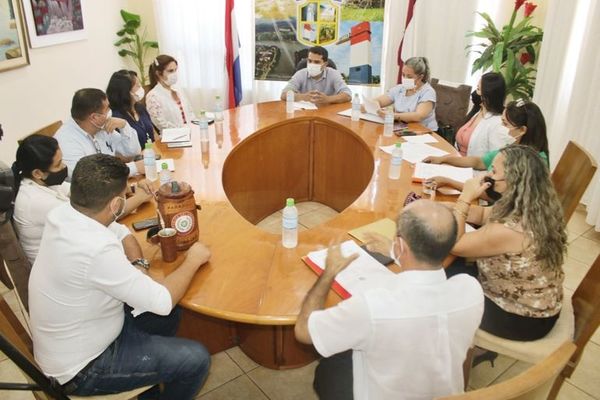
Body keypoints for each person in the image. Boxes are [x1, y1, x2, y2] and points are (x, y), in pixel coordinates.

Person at [29, 154, 211, 399]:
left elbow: (123, 233)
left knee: (169, 316)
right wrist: (194, 259)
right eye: (125, 196)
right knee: (196, 359)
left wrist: (138, 265)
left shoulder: (66, 213)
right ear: (115, 205)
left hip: (92, 331)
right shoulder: (95, 249)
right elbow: (163, 301)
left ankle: (150, 380)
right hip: (83, 368)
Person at [295, 200, 484, 400]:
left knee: (327, 371)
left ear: (401, 245)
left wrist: (329, 272)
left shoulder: (372, 308)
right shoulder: (470, 290)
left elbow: (304, 331)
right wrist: (396, 252)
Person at [450, 145, 567, 343]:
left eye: (494, 172)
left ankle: (450, 349)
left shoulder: (511, 230)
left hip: (520, 318)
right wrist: (441, 208)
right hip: (534, 299)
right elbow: (481, 214)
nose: (488, 175)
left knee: (440, 279)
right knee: (452, 269)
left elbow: (455, 244)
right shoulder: (529, 204)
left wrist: (465, 197)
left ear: (514, 180)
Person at [12, 135, 153, 264]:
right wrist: (140, 197)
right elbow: (99, 215)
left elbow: (91, 195)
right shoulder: (36, 202)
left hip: (76, 248)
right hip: (64, 265)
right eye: (58, 164)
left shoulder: (44, 183)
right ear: (37, 173)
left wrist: (131, 187)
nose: (64, 166)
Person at [424, 100, 549, 192]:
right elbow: (479, 161)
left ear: (522, 130)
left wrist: (448, 182)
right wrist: (443, 159)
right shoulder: (514, 146)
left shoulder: (532, 162)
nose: (501, 128)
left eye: (505, 124)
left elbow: (491, 194)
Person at [55, 88, 144, 180]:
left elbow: (132, 151)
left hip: (114, 183)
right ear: (94, 117)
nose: (110, 111)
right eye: (107, 109)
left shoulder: (100, 127)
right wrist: (134, 168)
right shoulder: (66, 142)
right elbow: (91, 179)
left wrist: (124, 126)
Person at [371, 56, 438, 131]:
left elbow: (418, 116)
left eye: (409, 76)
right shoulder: (400, 88)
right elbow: (377, 101)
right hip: (402, 129)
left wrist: (392, 116)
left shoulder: (428, 92)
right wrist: (377, 109)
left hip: (423, 132)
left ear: (420, 77)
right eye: (403, 75)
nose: (405, 78)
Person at [453, 72, 512, 157]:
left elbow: (495, 157)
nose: (478, 83)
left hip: (472, 166)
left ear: (489, 91)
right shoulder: (479, 111)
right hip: (457, 158)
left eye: (480, 85)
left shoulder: (498, 122)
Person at [280, 46, 352, 105]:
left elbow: (347, 95)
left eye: (316, 62)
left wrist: (328, 99)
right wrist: (302, 97)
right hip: (305, 113)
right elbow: (284, 95)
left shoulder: (333, 74)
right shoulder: (300, 74)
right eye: (310, 61)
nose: (312, 64)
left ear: (325, 64)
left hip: (327, 113)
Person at [107, 69, 157, 149]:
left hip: (153, 153)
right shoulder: (115, 116)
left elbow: (153, 132)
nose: (141, 88)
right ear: (126, 91)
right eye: (137, 86)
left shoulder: (140, 107)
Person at [146, 54, 196, 131]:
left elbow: (190, 112)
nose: (174, 74)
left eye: (175, 70)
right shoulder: (153, 96)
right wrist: (182, 131)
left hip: (189, 132)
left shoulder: (178, 89)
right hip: (172, 138)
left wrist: (194, 127)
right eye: (170, 71)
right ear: (159, 73)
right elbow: (161, 124)